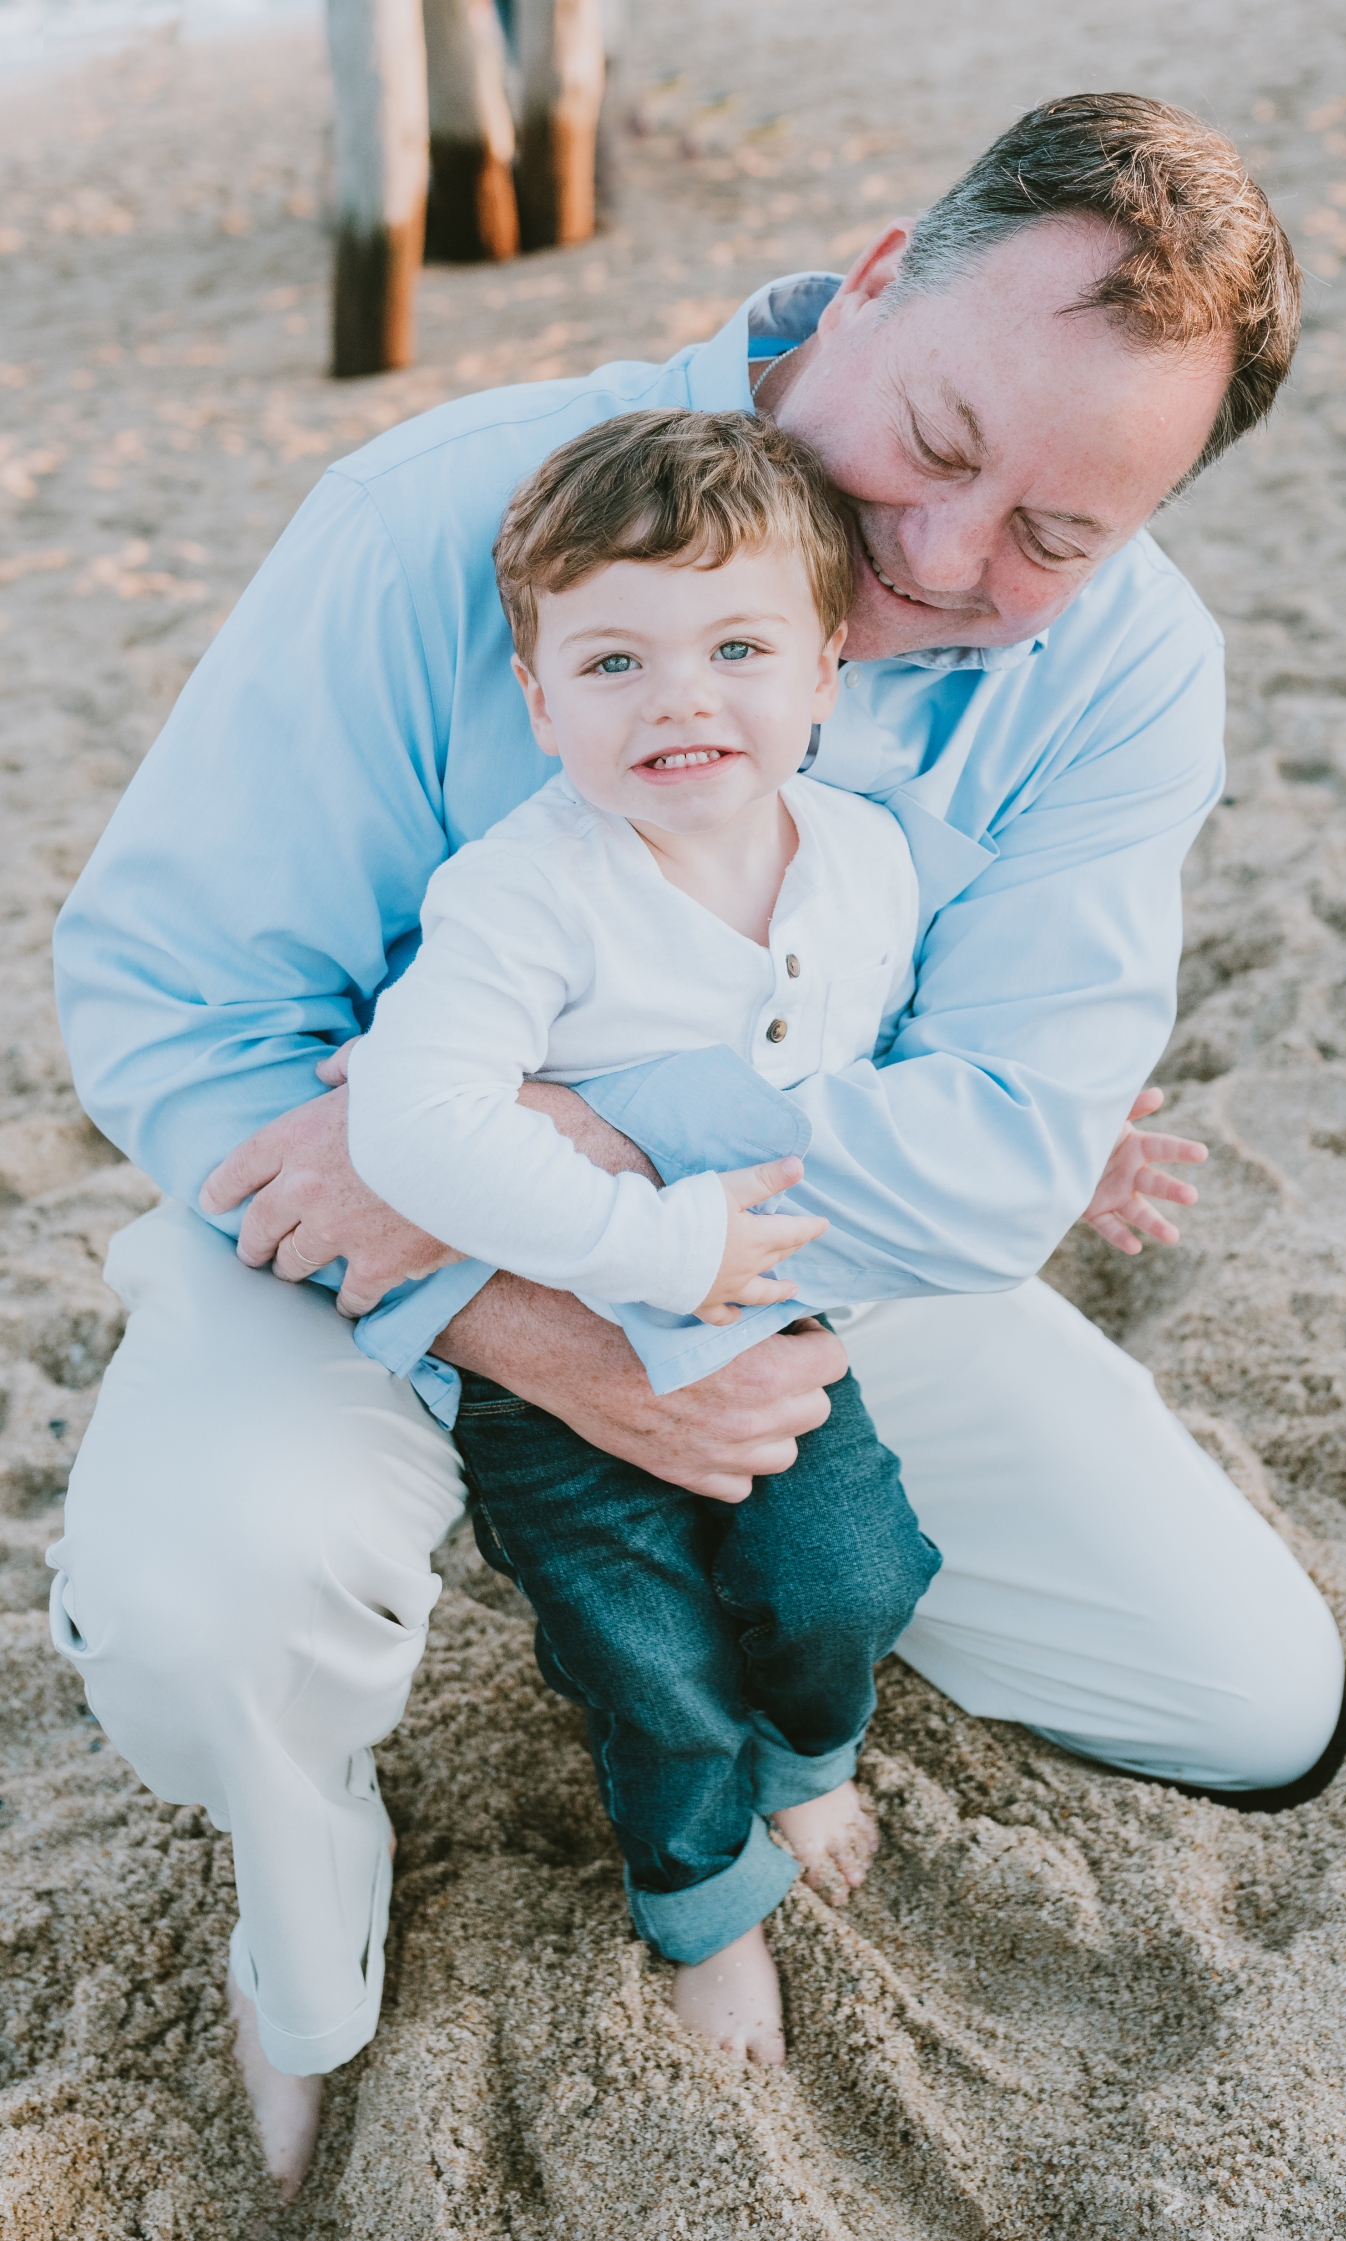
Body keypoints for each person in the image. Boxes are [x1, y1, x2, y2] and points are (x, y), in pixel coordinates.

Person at [47, 94, 1346, 2201]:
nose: (943, 561)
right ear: (865, 281)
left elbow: (1011, 1157)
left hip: (783, 1253)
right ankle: (324, 1886)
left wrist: (523, 1139)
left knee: (1261, 1702)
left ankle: (781, 1647)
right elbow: (169, 1001)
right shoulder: (429, 519)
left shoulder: (1130, 670)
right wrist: (494, 1271)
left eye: (1055, 533)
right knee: (213, 1619)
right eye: (935, 443)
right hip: (340, 1247)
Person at [342, 404, 942, 2062]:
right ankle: (702, 1897)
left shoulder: (870, 864)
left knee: (851, 1578)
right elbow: (410, 1121)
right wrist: (652, 1245)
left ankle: (812, 1757)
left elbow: (905, 1051)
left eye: (737, 645)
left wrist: (1085, 1152)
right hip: (553, 1361)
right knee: (651, 1660)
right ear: (538, 701)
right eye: (612, 663)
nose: (681, 696)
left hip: (776, 1327)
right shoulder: (526, 890)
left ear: (828, 668)